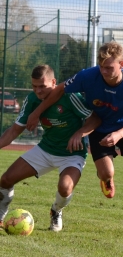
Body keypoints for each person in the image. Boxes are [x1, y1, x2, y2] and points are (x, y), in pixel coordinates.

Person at [26, 42, 123, 236]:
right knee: (107, 173)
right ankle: (106, 179)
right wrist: (36, 113)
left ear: (122, 64)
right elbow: (58, 90)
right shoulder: (87, 76)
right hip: (100, 128)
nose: (104, 71)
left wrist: (118, 134)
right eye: (101, 67)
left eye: (109, 67)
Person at [0, 65, 100, 232]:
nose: (38, 91)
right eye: (34, 86)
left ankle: (56, 210)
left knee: (65, 187)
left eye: (42, 86)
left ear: (54, 82)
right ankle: (1, 216)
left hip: (72, 154)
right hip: (45, 150)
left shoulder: (70, 96)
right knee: (5, 180)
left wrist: (80, 133)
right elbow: (14, 131)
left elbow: (95, 118)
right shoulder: (32, 100)